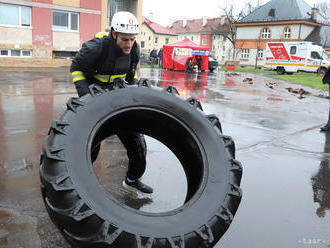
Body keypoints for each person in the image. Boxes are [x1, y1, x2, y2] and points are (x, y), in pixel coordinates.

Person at [70, 11, 153, 194]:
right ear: (114, 34)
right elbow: (75, 67)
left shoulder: (134, 50)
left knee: (138, 145)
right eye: (125, 39)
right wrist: (86, 97)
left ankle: (132, 180)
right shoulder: (95, 48)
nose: (129, 44)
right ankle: (79, 184)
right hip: (94, 99)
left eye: (132, 39)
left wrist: (132, 97)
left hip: (117, 99)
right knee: (90, 147)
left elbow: (131, 77)